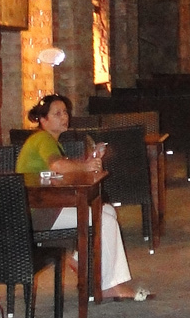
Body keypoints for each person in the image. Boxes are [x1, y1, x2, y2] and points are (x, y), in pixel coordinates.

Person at [15, 94, 144, 299]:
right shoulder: (42, 139)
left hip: (46, 208)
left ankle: (78, 259)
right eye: (57, 113)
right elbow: (57, 165)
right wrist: (85, 165)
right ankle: (108, 285)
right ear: (43, 119)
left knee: (108, 210)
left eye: (65, 112)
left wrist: (88, 161)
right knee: (106, 221)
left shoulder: (52, 142)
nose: (64, 117)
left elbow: (62, 172)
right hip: (38, 214)